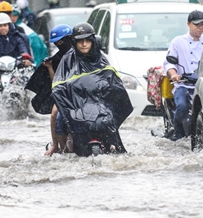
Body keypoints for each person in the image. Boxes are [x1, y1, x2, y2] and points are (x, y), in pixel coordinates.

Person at [51, 22, 133, 156]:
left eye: (87, 41)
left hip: (98, 101)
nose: (84, 44)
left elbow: (111, 77)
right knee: (58, 116)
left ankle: (111, 144)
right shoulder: (67, 59)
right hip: (76, 102)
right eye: (80, 41)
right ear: (74, 42)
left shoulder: (100, 58)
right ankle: (60, 148)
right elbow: (58, 83)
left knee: (109, 119)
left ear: (93, 41)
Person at [23, 24, 73, 156]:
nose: (59, 45)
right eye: (57, 43)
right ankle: (56, 145)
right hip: (67, 94)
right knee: (54, 113)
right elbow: (55, 82)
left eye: (61, 41)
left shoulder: (85, 53)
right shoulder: (58, 58)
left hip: (86, 92)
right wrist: (50, 67)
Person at [162, 10, 203, 141]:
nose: (200, 28)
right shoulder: (178, 42)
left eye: (202, 24)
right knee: (182, 106)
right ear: (188, 24)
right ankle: (178, 133)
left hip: (201, 85)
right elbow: (168, 63)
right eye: (197, 24)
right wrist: (174, 75)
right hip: (183, 84)